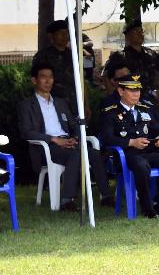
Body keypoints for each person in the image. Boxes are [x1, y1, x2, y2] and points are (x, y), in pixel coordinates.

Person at [18, 63, 112, 212]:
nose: (48, 81)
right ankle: (67, 200)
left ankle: (106, 196)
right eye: (43, 77)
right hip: (47, 147)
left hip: (68, 142)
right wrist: (54, 139)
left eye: (51, 77)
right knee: (76, 154)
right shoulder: (27, 105)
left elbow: (74, 124)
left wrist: (74, 137)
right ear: (34, 80)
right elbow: (27, 132)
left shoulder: (60, 103)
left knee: (93, 153)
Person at [100, 74, 159, 219]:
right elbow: (106, 138)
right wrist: (131, 142)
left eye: (138, 91)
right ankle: (147, 208)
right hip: (127, 155)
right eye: (131, 91)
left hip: (149, 152)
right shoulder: (110, 111)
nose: (136, 94)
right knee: (141, 165)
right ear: (121, 91)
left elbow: (158, 128)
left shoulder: (145, 108)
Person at [99, 59, 159, 142]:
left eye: (129, 76)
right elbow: (107, 137)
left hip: (150, 149)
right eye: (122, 78)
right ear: (113, 81)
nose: (128, 80)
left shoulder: (142, 101)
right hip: (127, 151)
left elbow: (156, 120)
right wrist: (131, 142)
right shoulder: (109, 104)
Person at [105, 19, 159, 100]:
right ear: (127, 36)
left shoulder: (152, 54)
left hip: (151, 98)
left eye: (141, 31)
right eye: (135, 31)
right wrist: (112, 94)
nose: (140, 34)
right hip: (129, 99)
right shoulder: (119, 56)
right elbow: (106, 75)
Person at [32, 20, 78, 111]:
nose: (64, 36)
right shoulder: (43, 56)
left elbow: (80, 81)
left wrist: (86, 105)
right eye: (60, 33)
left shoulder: (73, 55)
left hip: (74, 104)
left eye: (66, 33)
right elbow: (37, 83)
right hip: (53, 104)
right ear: (51, 36)